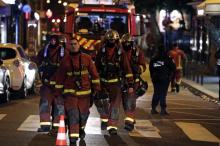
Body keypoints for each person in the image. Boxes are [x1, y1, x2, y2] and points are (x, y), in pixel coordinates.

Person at [54, 37, 101, 144]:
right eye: (71, 44)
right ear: (68, 46)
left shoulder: (87, 58)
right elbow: (60, 78)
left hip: (85, 95)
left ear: (79, 45)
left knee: (83, 115)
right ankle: (73, 139)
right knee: (73, 114)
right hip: (70, 95)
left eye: (75, 44)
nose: (73, 46)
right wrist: (58, 94)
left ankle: (81, 129)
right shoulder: (65, 61)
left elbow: (94, 75)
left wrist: (97, 89)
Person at [95, 29, 134, 135]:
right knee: (100, 103)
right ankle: (104, 120)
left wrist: (130, 84)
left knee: (115, 105)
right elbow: (95, 67)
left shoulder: (120, 53)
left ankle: (112, 126)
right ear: (106, 40)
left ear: (116, 41)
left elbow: (127, 68)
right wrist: (94, 82)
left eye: (113, 40)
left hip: (116, 84)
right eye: (110, 40)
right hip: (103, 82)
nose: (111, 42)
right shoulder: (101, 51)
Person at [37, 34, 65, 133]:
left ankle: (57, 126)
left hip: (59, 84)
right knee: (45, 103)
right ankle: (45, 126)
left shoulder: (63, 51)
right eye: (51, 40)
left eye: (55, 40)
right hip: (47, 83)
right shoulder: (44, 51)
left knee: (58, 105)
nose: (53, 42)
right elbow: (38, 63)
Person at [121, 33, 147, 131]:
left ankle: (129, 123)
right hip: (123, 81)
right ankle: (131, 118)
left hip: (134, 82)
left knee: (130, 101)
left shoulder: (137, 52)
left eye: (128, 42)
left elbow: (143, 65)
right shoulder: (119, 52)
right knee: (125, 101)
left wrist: (138, 69)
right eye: (125, 42)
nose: (127, 44)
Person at [149, 44, 176, 115]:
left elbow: (151, 68)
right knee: (163, 94)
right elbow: (173, 67)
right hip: (165, 79)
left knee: (156, 93)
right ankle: (163, 110)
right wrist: (170, 75)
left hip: (156, 79)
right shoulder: (167, 58)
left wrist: (152, 76)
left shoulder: (154, 58)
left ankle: (153, 109)